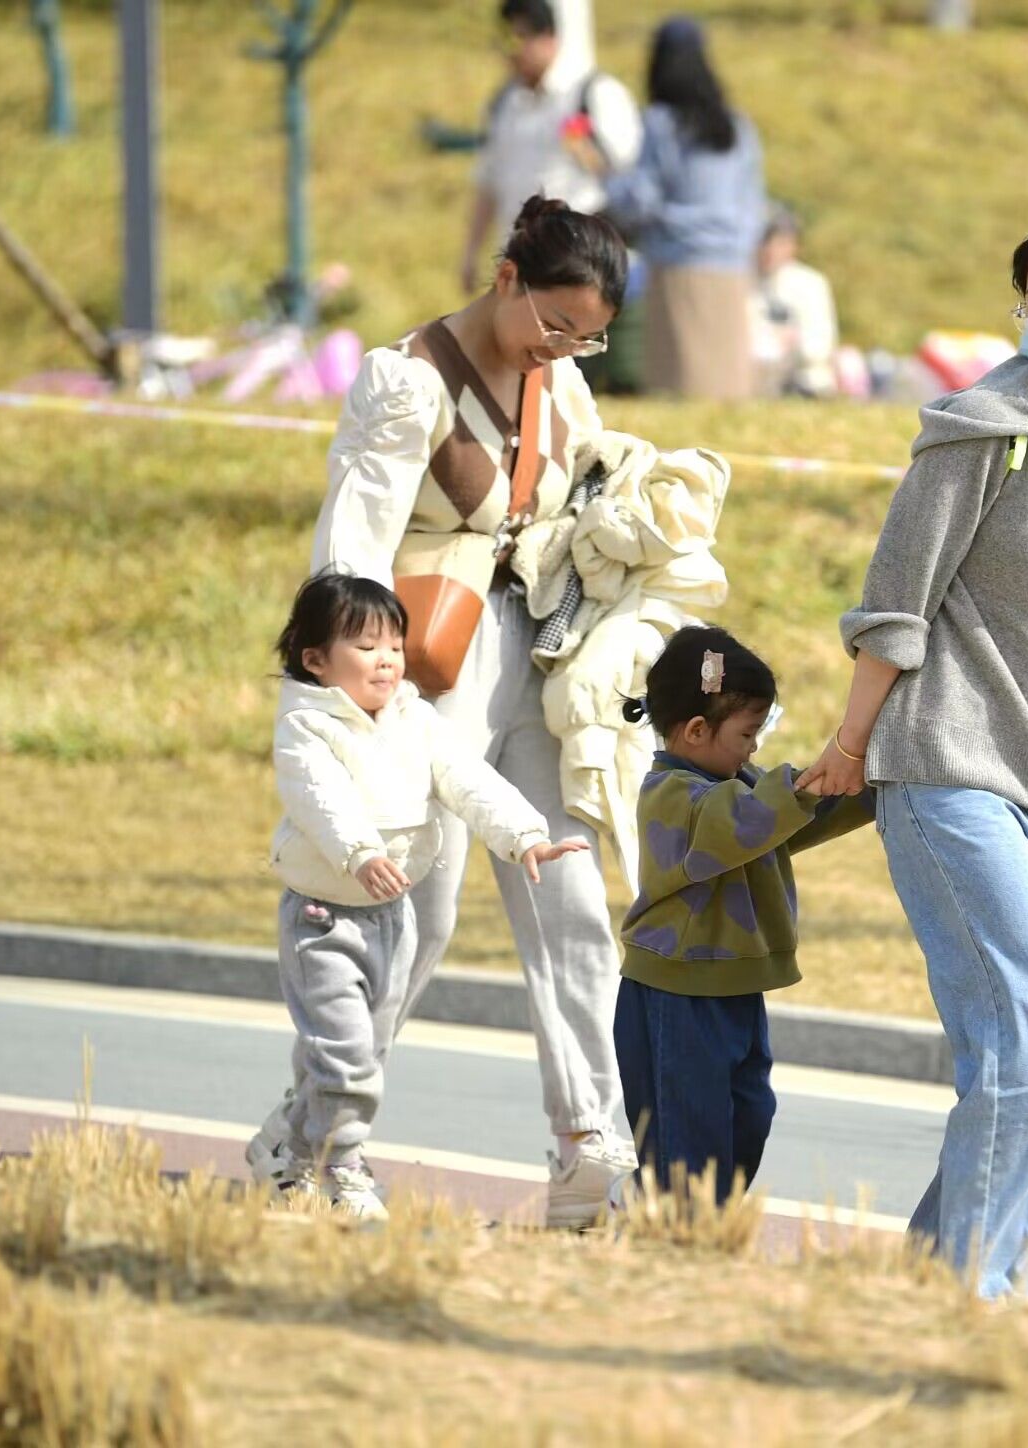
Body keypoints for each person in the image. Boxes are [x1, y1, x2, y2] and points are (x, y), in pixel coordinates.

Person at [797, 211, 1028, 1300]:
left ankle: (938, 1263)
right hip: (947, 762)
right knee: (1027, 1019)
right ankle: (990, 1285)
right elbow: (894, 607)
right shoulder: (980, 427)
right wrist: (852, 744)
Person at [291, 195, 638, 1229]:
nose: (567, 347)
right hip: (428, 664)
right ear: (506, 279)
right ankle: (316, 1142)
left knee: (568, 890)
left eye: (589, 335)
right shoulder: (408, 383)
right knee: (415, 913)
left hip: (537, 651)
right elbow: (351, 547)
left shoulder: (561, 385)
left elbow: (581, 505)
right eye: (553, 324)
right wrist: (355, 696)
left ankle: (591, 1154)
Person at [254, 571, 588, 1218]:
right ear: (316, 660)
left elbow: (468, 782)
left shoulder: (417, 719)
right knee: (347, 1058)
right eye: (364, 646)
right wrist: (360, 853)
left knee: (358, 1055)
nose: (385, 660)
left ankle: (291, 1156)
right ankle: (342, 1170)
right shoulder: (306, 726)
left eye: (394, 645)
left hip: (392, 920)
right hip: (322, 921)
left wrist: (524, 838)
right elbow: (319, 799)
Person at [616, 626, 873, 1203]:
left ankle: (684, 1215)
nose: (754, 748)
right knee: (688, 1134)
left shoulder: (739, 787)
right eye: (748, 734)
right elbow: (745, 822)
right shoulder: (673, 795)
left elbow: (787, 821)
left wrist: (863, 784)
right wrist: (803, 789)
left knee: (748, 1113)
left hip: (734, 986)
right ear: (698, 730)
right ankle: (674, 1230)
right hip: (675, 993)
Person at [603, 17, 765, 399]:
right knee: (725, 386)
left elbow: (640, 200)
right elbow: (753, 202)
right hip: (731, 267)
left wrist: (606, 179)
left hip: (678, 267)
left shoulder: (661, 124)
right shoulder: (738, 127)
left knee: (679, 388)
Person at [461, 0, 642, 296]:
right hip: (522, 262)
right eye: (506, 40)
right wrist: (471, 251)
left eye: (522, 38)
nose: (513, 52)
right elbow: (489, 181)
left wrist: (581, 144)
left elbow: (624, 172)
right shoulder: (506, 103)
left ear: (549, 38)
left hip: (581, 265)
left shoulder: (593, 92)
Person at [751, 205, 839, 398]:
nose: (770, 251)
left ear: (794, 246)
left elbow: (820, 345)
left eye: (780, 243)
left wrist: (792, 344)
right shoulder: (743, 282)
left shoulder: (810, 283)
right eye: (765, 243)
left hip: (804, 383)